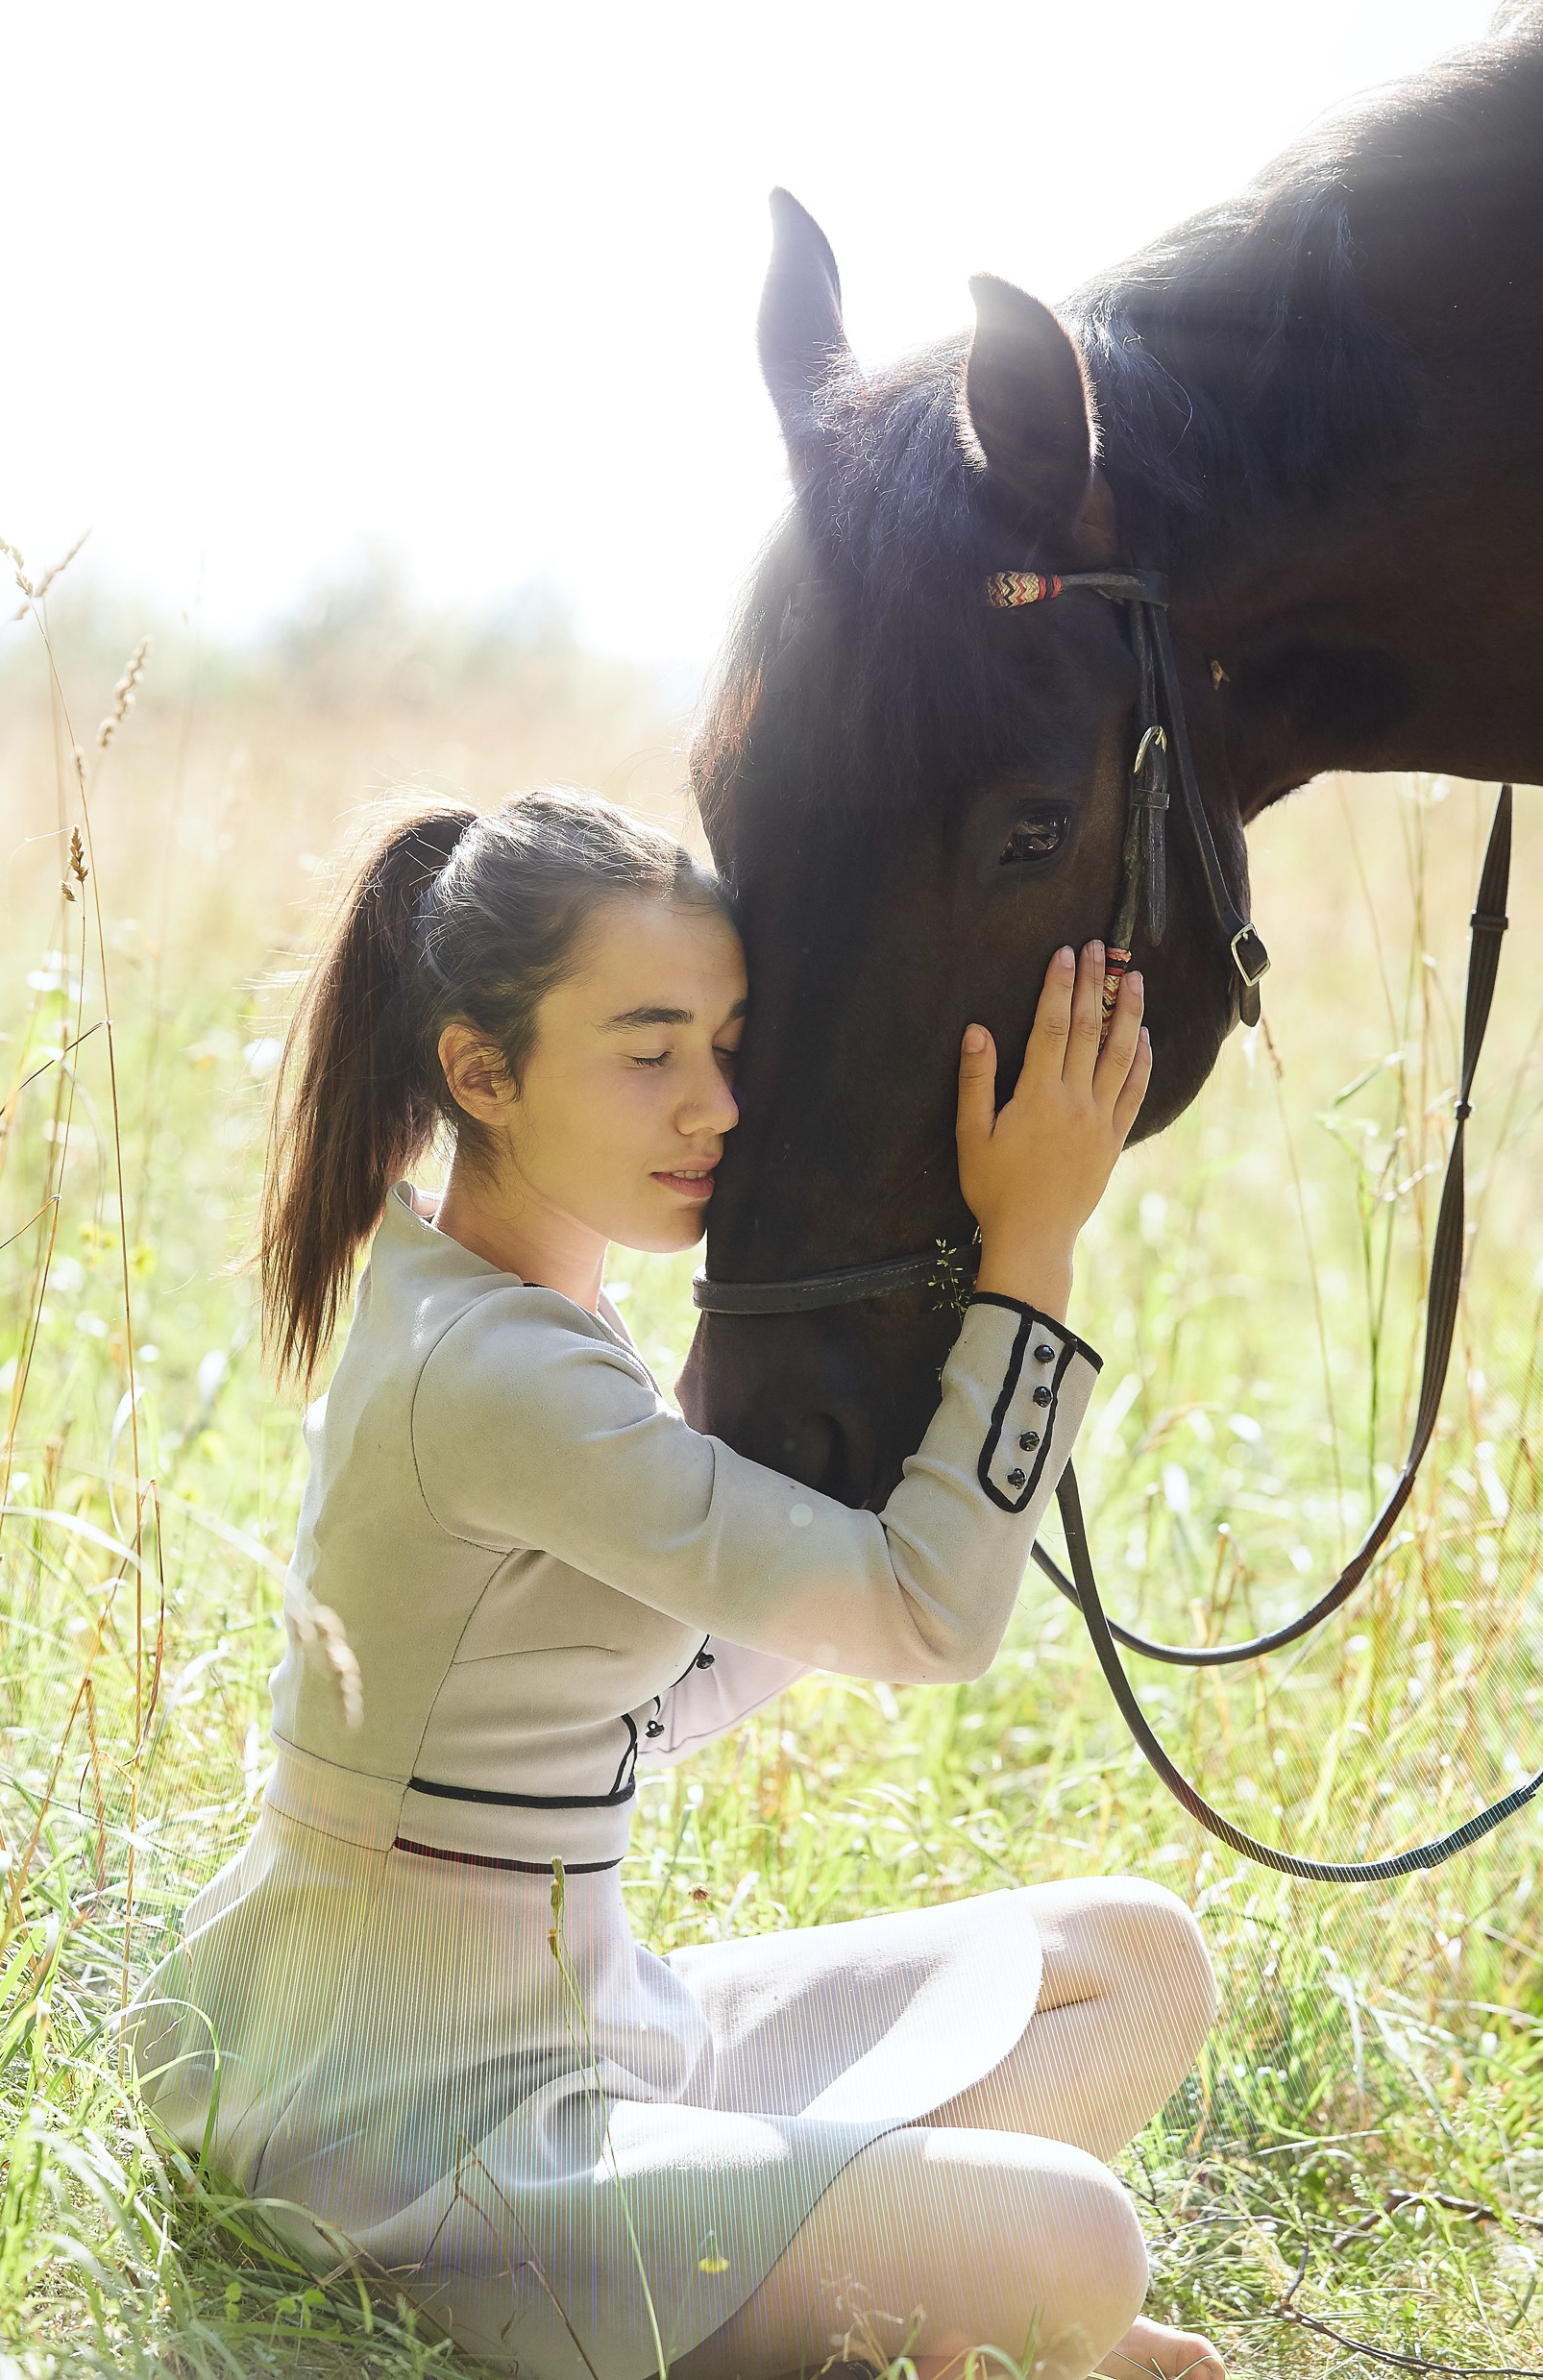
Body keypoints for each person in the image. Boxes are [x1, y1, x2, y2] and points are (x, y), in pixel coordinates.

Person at [122, 789, 1223, 2380]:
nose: (713, 1105)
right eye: (648, 1053)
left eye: (725, 1043)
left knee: (1132, 1960)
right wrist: (1031, 1243)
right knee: (1080, 2242)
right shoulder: (494, 1372)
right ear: (479, 1072)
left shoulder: (521, 1312)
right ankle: (922, 2302)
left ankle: (880, 2299)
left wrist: (881, 1468)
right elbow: (929, 1620)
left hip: (598, 2045)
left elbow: (645, 1698)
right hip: (412, 2148)